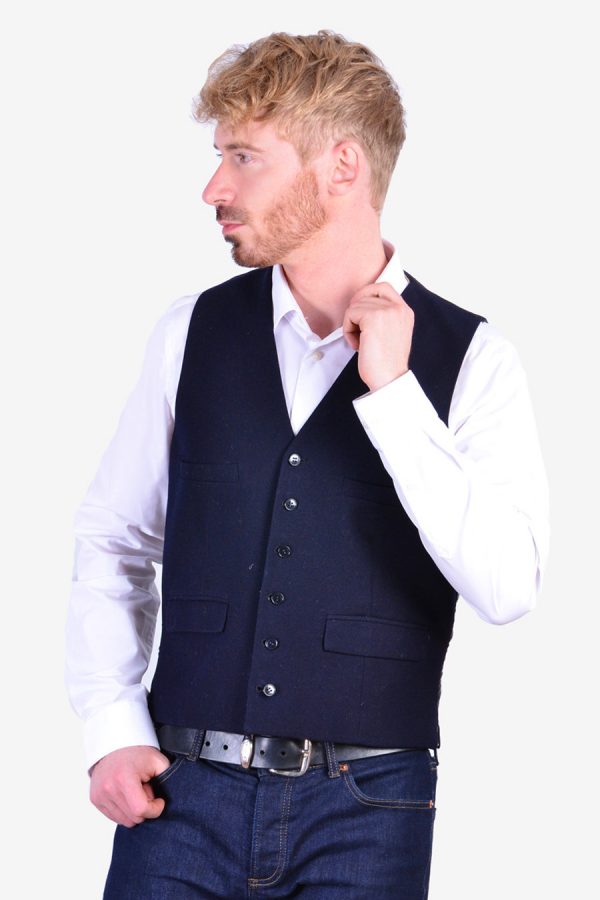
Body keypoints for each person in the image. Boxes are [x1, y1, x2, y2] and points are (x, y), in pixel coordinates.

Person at [66, 30, 549, 899]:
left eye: (244, 158)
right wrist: (111, 724)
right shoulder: (190, 332)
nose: (214, 188)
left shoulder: (477, 359)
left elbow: (509, 586)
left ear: (342, 165)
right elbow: (115, 535)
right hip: (180, 796)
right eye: (220, 157)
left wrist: (395, 395)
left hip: (369, 810)